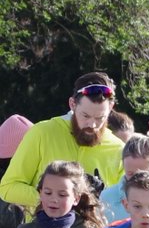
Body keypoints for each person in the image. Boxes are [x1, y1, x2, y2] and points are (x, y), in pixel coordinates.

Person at [0, 73, 125, 212]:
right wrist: (53, 199)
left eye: (100, 118)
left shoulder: (119, 148)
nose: (93, 125)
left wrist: (103, 197)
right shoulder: (42, 133)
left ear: (111, 107)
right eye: (85, 116)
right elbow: (8, 188)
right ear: (72, 104)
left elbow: (128, 202)